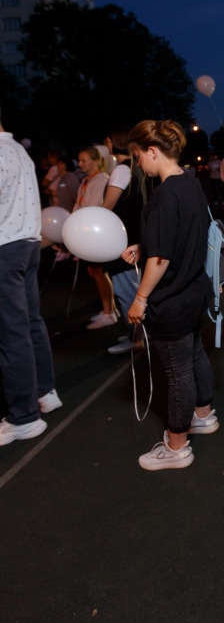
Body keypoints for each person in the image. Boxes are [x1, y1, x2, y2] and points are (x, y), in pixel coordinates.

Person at [123, 119, 218, 470]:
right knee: (194, 356)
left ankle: (176, 448)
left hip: (171, 297)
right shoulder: (190, 184)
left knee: (176, 372)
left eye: (138, 156)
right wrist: (143, 245)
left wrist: (140, 298)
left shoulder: (164, 194)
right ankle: (204, 416)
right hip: (193, 291)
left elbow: (162, 258)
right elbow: (180, 236)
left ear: (152, 151)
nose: (138, 164)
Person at [0, 110, 61, 446]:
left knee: (12, 333)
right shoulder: (18, 150)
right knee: (30, 322)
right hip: (28, 242)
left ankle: (23, 417)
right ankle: (44, 392)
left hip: (5, 248)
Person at [102, 129, 147, 355]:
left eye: (108, 138)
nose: (105, 142)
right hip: (132, 236)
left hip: (122, 240)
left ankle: (138, 338)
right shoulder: (135, 166)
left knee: (127, 290)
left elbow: (107, 207)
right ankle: (135, 334)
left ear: (115, 141)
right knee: (132, 287)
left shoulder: (121, 169)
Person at [74, 147, 116, 329]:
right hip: (84, 229)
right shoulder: (86, 179)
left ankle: (109, 313)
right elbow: (79, 203)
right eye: (79, 160)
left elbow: (93, 206)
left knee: (98, 271)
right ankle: (108, 310)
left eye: (84, 160)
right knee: (94, 272)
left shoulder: (102, 179)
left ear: (95, 161)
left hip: (93, 231)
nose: (80, 164)